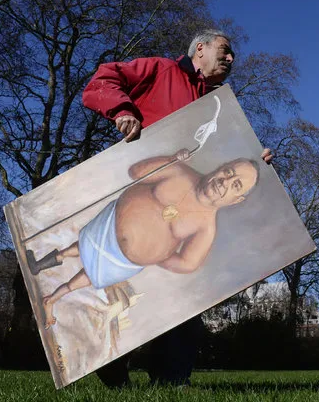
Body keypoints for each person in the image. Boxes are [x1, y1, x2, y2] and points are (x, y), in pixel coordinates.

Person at [80, 29, 273, 388]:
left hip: (170, 234)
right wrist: (122, 109)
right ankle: (113, 373)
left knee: (184, 309)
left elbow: (238, 166)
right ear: (200, 48)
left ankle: (170, 383)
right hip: (131, 204)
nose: (231, 60)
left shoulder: (219, 107)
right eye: (225, 51)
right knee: (118, 303)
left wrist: (257, 163)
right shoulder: (160, 70)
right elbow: (103, 79)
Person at [26, 152, 261, 329]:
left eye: (235, 185)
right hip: (107, 225)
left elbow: (188, 263)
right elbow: (136, 172)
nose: (225, 182)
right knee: (76, 249)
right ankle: (38, 266)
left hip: (122, 261)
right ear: (221, 167)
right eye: (229, 172)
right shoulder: (180, 171)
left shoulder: (206, 227)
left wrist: (157, 254)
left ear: (236, 200)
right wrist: (170, 160)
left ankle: (51, 300)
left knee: (85, 277)